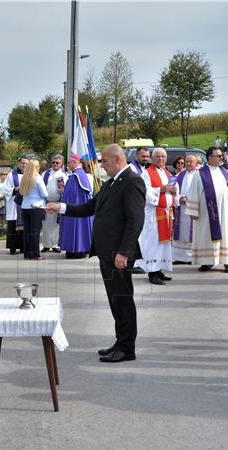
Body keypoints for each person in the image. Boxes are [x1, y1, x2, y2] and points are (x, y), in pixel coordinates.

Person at [46, 144, 146, 362]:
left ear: (118, 159)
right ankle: (121, 342)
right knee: (115, 300)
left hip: (118, 254)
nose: (102, 166)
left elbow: (135, 220)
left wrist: (124, 252)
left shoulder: (132, 181)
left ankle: (127, 348)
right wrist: (60, 207)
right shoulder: (112, 183)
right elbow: (89, 207)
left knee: (122, 300)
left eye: (105, 162)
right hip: (106, 253)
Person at [186, 147, 228, 272]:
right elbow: (193, 192)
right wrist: (193, 211)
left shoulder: (225, 171)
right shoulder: (200, 173)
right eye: (218, 156)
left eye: (221, 156)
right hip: (206, 213)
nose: (221, 158)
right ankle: (207, 261)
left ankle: (227, 261)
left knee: (226, 234)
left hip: (225, 210)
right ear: (209, 158)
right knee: (206, 235)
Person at [135, 148, 175, 284]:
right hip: (153, 214)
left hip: (166, 213)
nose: (161, 159)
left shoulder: (166, 172)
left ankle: (159, 270)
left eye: (163, 157)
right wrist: (161, 190)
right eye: (158, 157)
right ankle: (152, 273)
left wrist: (175, 191)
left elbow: (172, 189)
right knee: (153, 244)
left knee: (163, 245)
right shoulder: (146, 173)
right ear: (152, 158)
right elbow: (143, 191)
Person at [59, 154, 94, 258]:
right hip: (78, 206)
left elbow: (73, 194)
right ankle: (79, 249)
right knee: (79, 227)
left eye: (69, 162)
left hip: (75, 207)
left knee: (76, 227)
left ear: (75, 162)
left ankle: (76, 250)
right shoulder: (79, 174)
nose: (67, 164)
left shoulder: (77, 175)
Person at [19, 159, 48, 260]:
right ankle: (35, 254)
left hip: (25, 206)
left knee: (27, 231)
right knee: (35, 231)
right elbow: (45, 194)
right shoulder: (38, 178)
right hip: (36, 206)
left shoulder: (24, 178)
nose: (39, 167)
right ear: (35, 167)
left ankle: (27, 253)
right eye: (38, 166)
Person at [171, 155, 198, 264]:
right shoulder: (179, 176)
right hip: (181, 210)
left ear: (196, 163)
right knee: (181, 232)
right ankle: (179, 257)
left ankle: (193, 257)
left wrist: (192, 199)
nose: (188, 164)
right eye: (186, 162)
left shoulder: (200, 175)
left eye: (191, 162)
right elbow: (174, 191)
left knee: (194, 232)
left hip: (195, 208)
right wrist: (179, 198)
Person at [1, 156, 28, 254]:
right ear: (19, 163)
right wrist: (15, 189)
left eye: (26, 163)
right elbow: (6, 189)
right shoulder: (11, 175)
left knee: (24, 226)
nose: (24, 165)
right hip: (13, 204)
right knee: (13, 226)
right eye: (23, 163)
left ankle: (22, 247)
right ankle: (13, 248)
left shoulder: (29, 175)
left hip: (25, 204)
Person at [41, 154, 67, 253]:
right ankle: (46, 245)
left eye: (57, 163)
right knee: (46, 224)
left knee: (56, 225)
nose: (55, 164)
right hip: (46, 202)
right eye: (53, 162)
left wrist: (63, 190)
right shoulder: (45, 173)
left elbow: (67, 190)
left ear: (61, 164)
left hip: (58, 202)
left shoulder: (65, 175)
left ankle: (55, 245)